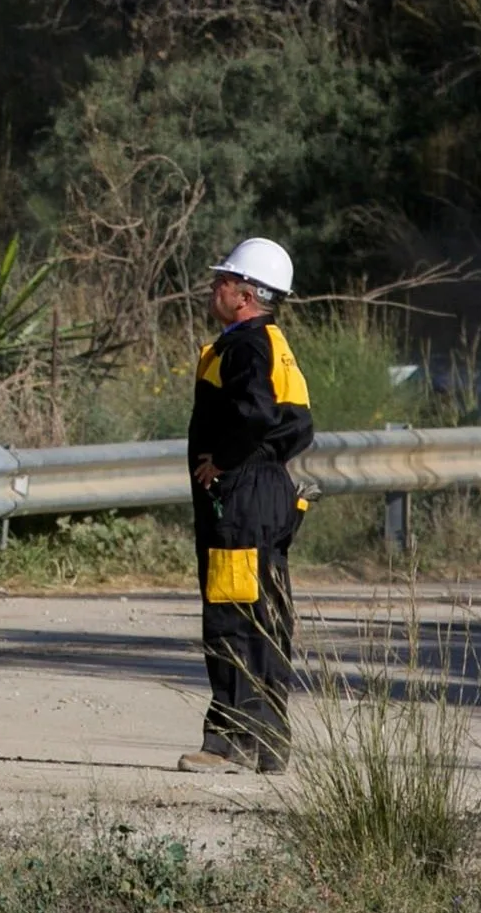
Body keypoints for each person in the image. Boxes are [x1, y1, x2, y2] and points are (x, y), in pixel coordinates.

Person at [182, 236, 314, 775]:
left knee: (233, 615)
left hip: (241, 499)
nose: (215, 287)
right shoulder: (274, 344)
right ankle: (269, 739)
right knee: (266, 615)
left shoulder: (245, 346)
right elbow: (298, 425)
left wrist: (227, 462)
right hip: (266, 493)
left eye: (224, 280)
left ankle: (229, 742)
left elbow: (256, 414)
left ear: (245, 295)